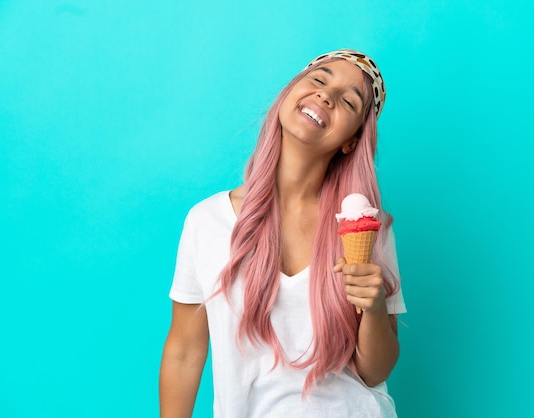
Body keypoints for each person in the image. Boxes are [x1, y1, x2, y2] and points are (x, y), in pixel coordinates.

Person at [159, 49, 406, 418]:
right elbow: (184, 351)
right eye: (319, 80)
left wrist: (371, 309)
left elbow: (375, 372)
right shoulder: (207, 221)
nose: (326, 96)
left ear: (351, 141)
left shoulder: (368, 230)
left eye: (349, 101)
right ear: (288, 95)